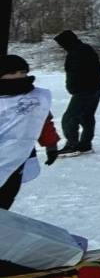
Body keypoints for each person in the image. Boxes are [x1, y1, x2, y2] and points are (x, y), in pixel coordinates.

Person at [0, 55, 59, 210]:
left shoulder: (36, 98)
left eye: (22, 72)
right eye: (12, 73)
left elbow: (43, 121)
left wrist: (51, 144)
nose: (19, 76)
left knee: (7, 194)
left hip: (19, 156)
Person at [52, 30, 100, 158]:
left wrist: (74, 88)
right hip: (95, 87)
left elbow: (77, 73)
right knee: (86, 116)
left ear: (67, 42)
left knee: (69, 118)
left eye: (61, 44)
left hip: (86, 90)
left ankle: (72, 146)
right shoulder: (83, 49)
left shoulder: (78, 52)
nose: (61, 47)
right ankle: (85, 145)